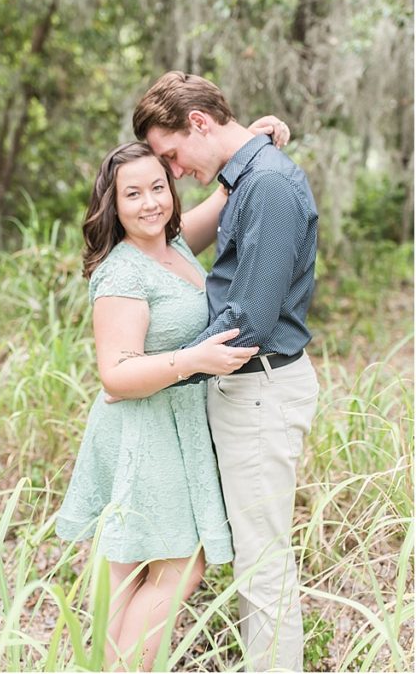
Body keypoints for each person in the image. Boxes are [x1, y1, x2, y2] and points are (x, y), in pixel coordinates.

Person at [132, 71, 319, 672]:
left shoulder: (266, 185)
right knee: (247, 554)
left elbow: (251, 319)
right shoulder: (248, 179)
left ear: (200, 124)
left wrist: (157, 372)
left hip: (260, 388)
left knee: (263, 564)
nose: (175, 170)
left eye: (172, 155)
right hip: (240, 389)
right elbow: (169, 244)